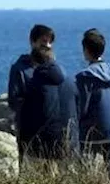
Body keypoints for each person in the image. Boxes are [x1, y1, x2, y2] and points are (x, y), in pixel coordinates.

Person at [75, 28, 110, 180]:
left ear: (85, 50)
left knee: (85, 176)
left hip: (92, 132)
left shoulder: (84, 77)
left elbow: (81, 107)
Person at [17, 45, 80, 167]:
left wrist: (24, 146)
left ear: (34, 63)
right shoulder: (71, 83)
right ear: (54, 59)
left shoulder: (33, 86)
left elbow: (25, 119)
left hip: (41, 148)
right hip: (69, 145)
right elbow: (78, 110)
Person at [7, 24, 55, 164]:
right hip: (28, 130)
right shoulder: (20, 69)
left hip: (51, 129)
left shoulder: (53, 68)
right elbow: (14, 100)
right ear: (32, 42)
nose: (47, 45)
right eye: (43, 41)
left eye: (50, 42)